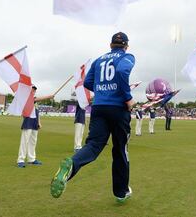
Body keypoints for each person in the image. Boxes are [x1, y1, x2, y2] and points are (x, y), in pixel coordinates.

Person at [50, 32, 135, 203]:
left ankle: (72, 164)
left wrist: (103, 89)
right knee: (120, 150)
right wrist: (127, 97)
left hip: (99, 107)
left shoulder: (99, 60)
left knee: (94, 145)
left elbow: (88, 82)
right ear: (126, 46)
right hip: (118, 108)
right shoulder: (127, 57)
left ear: (111, 45)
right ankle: (121, 192)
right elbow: (122, 71)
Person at [17, 85, 54, 168]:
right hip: (28, 123)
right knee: (24, 142)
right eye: (32, 90)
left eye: (34, 90)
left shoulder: (35, 102)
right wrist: (49, 96)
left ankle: (31, 159)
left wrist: (39, 122)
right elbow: (35, 99)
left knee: (33, 142)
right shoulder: (27, 99)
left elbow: (37, 113)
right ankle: (20, 160)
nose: (33, 91)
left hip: (34, 123)